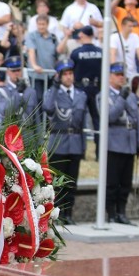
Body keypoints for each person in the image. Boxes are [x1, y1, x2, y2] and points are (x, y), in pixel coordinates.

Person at [99, 63, 139, 225]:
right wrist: (121, 98)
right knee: (112, 182)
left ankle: (122, 212)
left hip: (129, 142)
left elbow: (137, 119)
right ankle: (111, 213)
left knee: (126, 182)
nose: (121, 77)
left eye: (122, 74)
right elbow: (109, 116)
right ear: (109, 76)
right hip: (114, 142)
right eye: (117, 74)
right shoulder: (104, 95)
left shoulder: (131, 95)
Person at [43, 61, 87, 224]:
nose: (69, 77)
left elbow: (83, 124)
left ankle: (69, 213)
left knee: (71, 182)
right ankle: (58, 214)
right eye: (65, 74)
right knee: (57, 183)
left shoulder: (80, 95)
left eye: (71, 73)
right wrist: (54, 87)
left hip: (75, 142)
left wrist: (83, 146)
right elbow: (47, 107)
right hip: (59, 142)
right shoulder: (53, 93)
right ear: (60, 77)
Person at [70, 25, 102, 155]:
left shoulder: (76, 53)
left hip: (80, 88)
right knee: (97, 120)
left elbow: (71, 70)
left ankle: (81, 151)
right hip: (96, 88)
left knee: (79, 120)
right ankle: (99, 152)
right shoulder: (100, 52)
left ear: (82, 34)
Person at [0, 55, 37, 125]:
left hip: (28, 132)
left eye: (19, 70)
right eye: (13, 71)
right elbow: (5, 111)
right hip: (9, 133)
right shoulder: (0, 91)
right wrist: (18, 92)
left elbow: (36, 118)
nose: (16, 73)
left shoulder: (31, 91)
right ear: (7, 72)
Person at [109, 17, 139, 89]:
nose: (131, 28)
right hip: (120, 73)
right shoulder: (114, 37)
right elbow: (113, 54)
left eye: (132, 26)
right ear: (123, 26)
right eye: (129, 26)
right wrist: (114, 72)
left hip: (132, 73)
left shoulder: (135, 37)